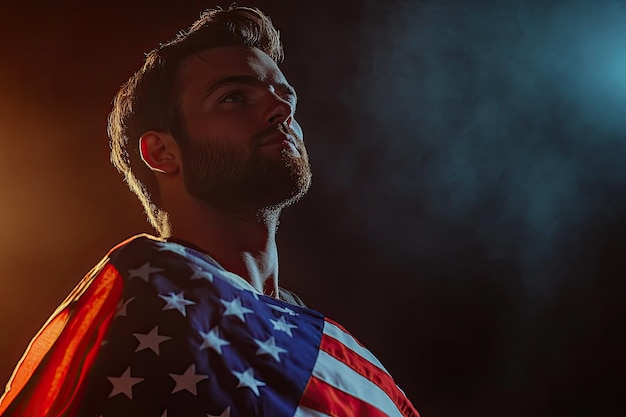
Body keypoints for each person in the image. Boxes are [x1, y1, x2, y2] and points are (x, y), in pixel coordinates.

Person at [0, 5, 419, 417]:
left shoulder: (341, 362)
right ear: (162, 152)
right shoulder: (147, 301)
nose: (282, 110)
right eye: (234, 97)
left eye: (284, 96)